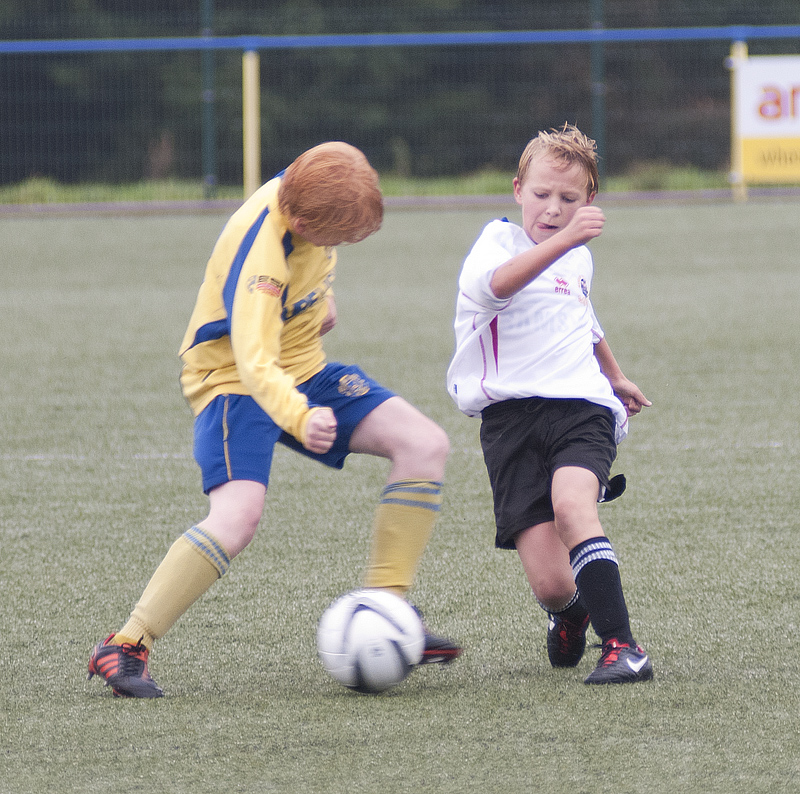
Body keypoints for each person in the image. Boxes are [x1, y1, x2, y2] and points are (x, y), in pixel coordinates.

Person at [89, 141, 461, 698]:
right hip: (234, 384)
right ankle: (126, 643)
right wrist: (299, 414)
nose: (341, 246)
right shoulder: (262, 258)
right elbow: (253, 358)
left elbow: (316, 259)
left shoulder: (311, 183)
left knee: (424, 445)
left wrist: (317, 304)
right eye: (339, 237)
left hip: (303, 368)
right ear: (303, 219)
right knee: (238, 515)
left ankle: (386, 612)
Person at [446, 124, 652, 684]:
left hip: (580, 410)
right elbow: (494, 288)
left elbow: (581, 315)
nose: (553, 209)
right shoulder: (496, 243)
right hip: (509, 422)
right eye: (541, 194)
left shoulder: (577, 260)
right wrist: (565, 241)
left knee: (571, 505)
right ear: (518, 189)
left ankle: (624, 648)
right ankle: (572, 613)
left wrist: (615, 376)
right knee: (552, 584)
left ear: (589, 201)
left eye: (569, 199)